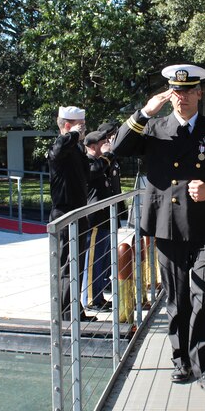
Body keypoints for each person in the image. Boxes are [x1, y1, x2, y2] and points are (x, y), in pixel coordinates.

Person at [113, 63, 205, 392]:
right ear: (169, 95)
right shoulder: (153, 127)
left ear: (199, 93)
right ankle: (182, 361)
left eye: (188, 91)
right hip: (166, 225)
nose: (181, 97)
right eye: (176, 91)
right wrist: (143, 112)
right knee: (177, 298)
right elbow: (117, 149)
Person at [48, 106, 91, 319]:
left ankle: (75, 310)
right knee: (67, 265)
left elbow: (89, 173)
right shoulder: (60, 147)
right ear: (67, 126)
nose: (84, 130)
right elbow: (57, 149)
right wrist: (73, 133)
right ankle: (66, 313)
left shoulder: (75, 149)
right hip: (64, 214)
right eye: (80, 126)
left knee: (77, 265)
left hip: (78, 212)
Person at [81, 130, 116, 310]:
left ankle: (98, 295)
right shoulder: (88, 161)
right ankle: (90, 299)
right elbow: (94, 171)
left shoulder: (101, 162)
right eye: (103, 142)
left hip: (103, 216)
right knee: (93, 260)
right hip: (93, 218)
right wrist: (108, 154)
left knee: (102, 260)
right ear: (93, 146)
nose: (106, 144)